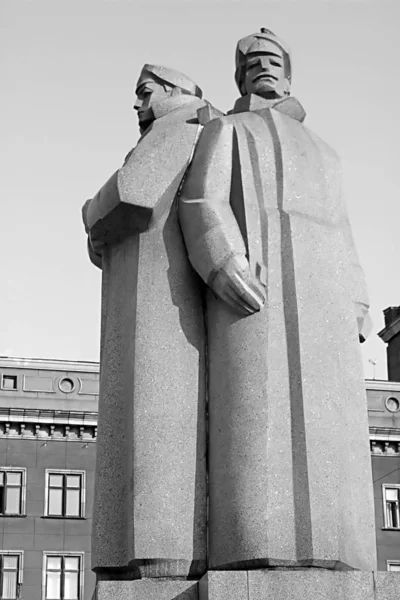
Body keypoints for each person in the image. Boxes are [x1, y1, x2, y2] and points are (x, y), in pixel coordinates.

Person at [179, 29, 376, 572]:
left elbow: (343, 228)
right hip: (256, 292)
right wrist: (224, 262)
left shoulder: (327, 153)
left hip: (326, 297)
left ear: (288, 73)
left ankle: (340, 553)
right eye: (253, 61)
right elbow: (202, 200)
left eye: (273, 60)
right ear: (240, 75)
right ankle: (252, 548)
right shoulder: (227, 129)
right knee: (254, 415)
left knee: (332, 427)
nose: (264, 67)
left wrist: (356, 297)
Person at [83, 65, 221, 580]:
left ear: (175, 93)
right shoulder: (182, 130)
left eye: (145, 93)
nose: (137, 105)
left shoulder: (179, 129)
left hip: (158, 302)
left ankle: (156, 559)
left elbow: (130, 194)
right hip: (142, 294)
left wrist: (88, 212)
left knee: (153, 418)